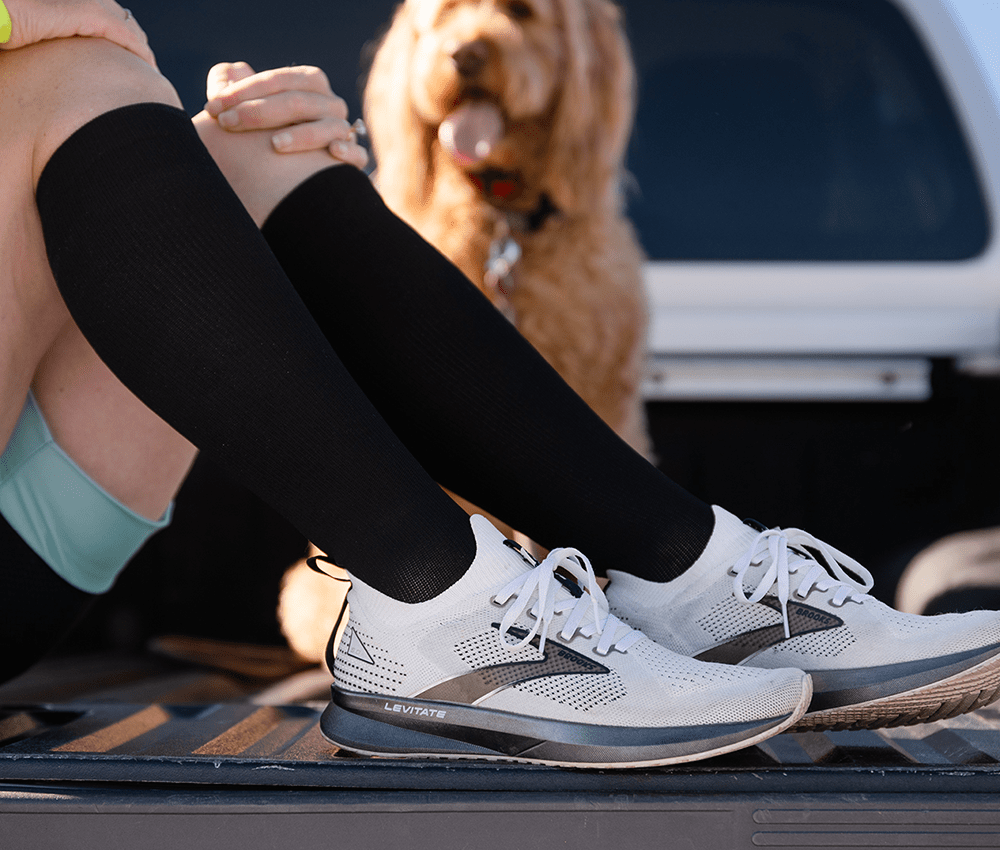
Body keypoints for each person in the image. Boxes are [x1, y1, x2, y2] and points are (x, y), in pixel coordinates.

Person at [1, 1, 999, 769]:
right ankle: (435, 603)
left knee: (252, 146)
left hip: (31, 528)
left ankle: (692, 580)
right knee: (68, 74)